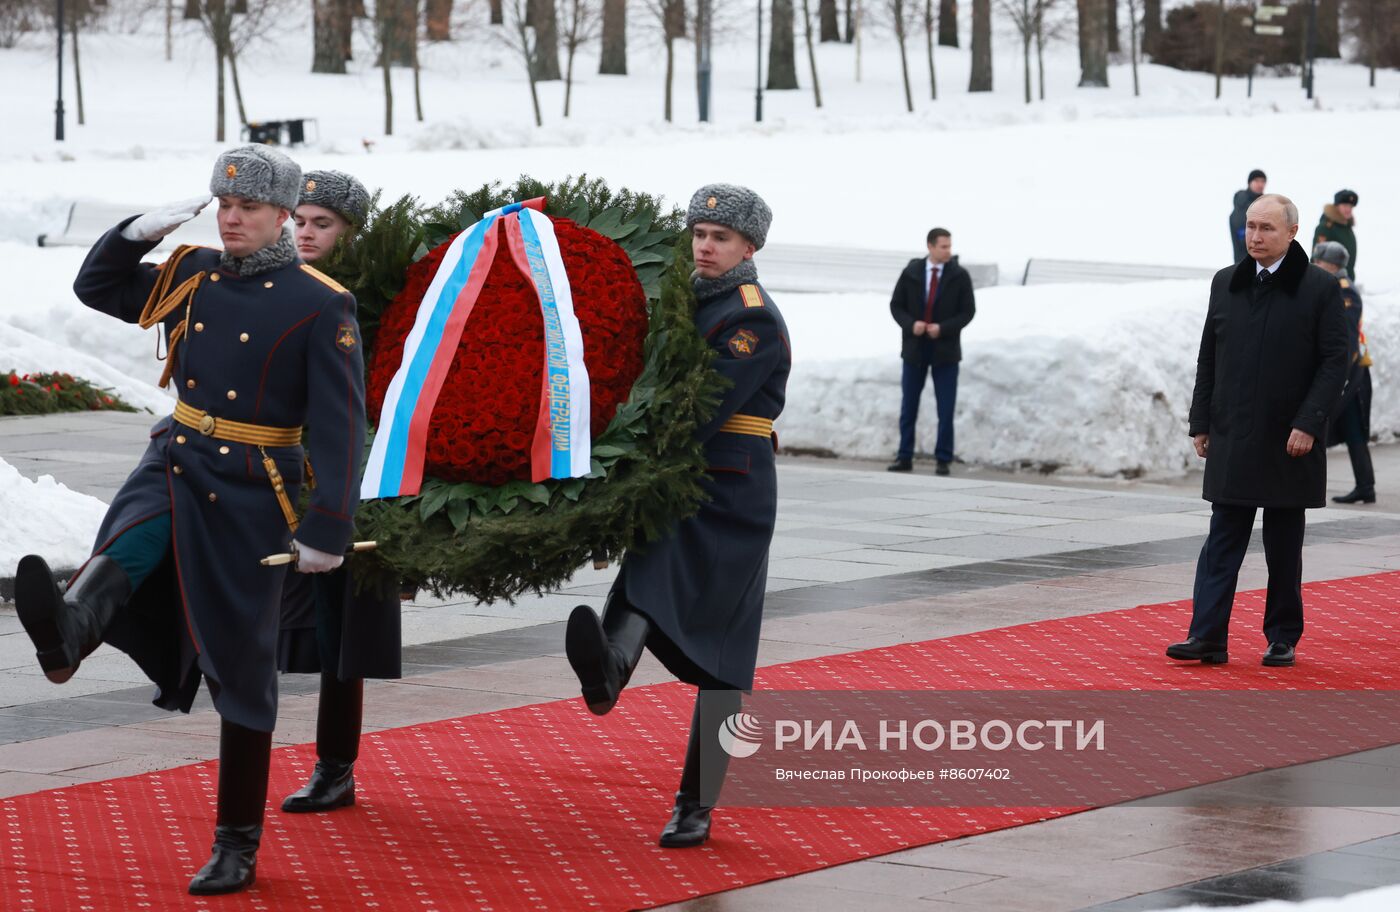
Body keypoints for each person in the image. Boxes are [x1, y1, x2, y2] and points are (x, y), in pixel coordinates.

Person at [13, 145, 367, 895]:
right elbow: (97, 286)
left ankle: (236, 842)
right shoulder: (194, 273)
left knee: (241, 670)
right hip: (178, 455)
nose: (231, 217)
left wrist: (327, 527)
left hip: (252, 485)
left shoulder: (318, 301)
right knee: (131, 539)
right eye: (223, 205)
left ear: (280, 216)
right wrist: (135, 233)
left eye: (247, 208)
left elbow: (341, 426)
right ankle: (70, 631)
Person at [564, 183, 789, 848]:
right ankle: (608, 670)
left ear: (749, 247)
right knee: (648, 573)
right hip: (680, 476)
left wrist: (618, 450)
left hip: (731, 489)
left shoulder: (752, 317)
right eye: (699, 234)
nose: (706, 246)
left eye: (721, 238)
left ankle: (697, 802)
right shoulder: (685, 298)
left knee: (726, 655)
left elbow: (699, 408)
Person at [1167, 194, 1347, 669]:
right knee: (1221, 540)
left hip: (1290, 440)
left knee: (1282, 546)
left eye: (1266, 228)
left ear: (1292, 232)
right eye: (1250, 226)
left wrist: (1309, 423)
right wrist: (1201, 421)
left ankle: (1282, 636)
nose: (1255, 236)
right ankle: (1207, 636)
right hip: (1232, 434)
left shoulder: (1319, 289)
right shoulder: (1226, 283)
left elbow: (1335, 363)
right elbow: (1210, 356)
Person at [278, 169, 401, 815]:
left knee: (338, 632)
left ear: (352, 233)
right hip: (272, 474)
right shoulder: (280, 286)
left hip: (341, 483)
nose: (304, 232)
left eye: (321, 223)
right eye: (299, 219)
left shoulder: (366, 300)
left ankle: (335, 766)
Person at [886, 228, 976, 475]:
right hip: (915, 350)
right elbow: (896, 305)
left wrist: (943, 328)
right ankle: (904, 456)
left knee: (946, 408)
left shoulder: (959, 276)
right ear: (930, 246)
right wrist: (910, 324)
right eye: (943, 246)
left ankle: (943, 458)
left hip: (945, 352)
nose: (948, 251)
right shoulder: (912, 272)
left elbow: (968, 312)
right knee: (909, 406)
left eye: (949, 246)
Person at [1313, 241, 1374, 505]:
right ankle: (1365, 487)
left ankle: (1364, 486)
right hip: (1347, 372)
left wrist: (1342, 376)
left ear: (1332, 264)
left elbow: (1347, 340)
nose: (1316, 265)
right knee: (1351, 431)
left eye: (1319, 262)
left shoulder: (1344, 291)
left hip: (1351, 372)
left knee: (1338, 427)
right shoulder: (1332, 287)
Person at [1315, 190, 1359, 283]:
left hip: (1346, 281)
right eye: (1345, 206)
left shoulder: (1346, 227)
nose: (1348, 209)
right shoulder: (1326, 227)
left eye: (1350, 206)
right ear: (1336, 206)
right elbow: (1317, 259)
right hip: (1331, 283)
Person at [1230, 169, 1267, 262]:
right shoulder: (1241, 202)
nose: (1260, 184)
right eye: (1257, 181)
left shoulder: (1266, 203)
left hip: (1263, 257)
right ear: (1250, 183)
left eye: (1263, 181)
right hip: (1244, 257)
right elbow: (1239, 225)